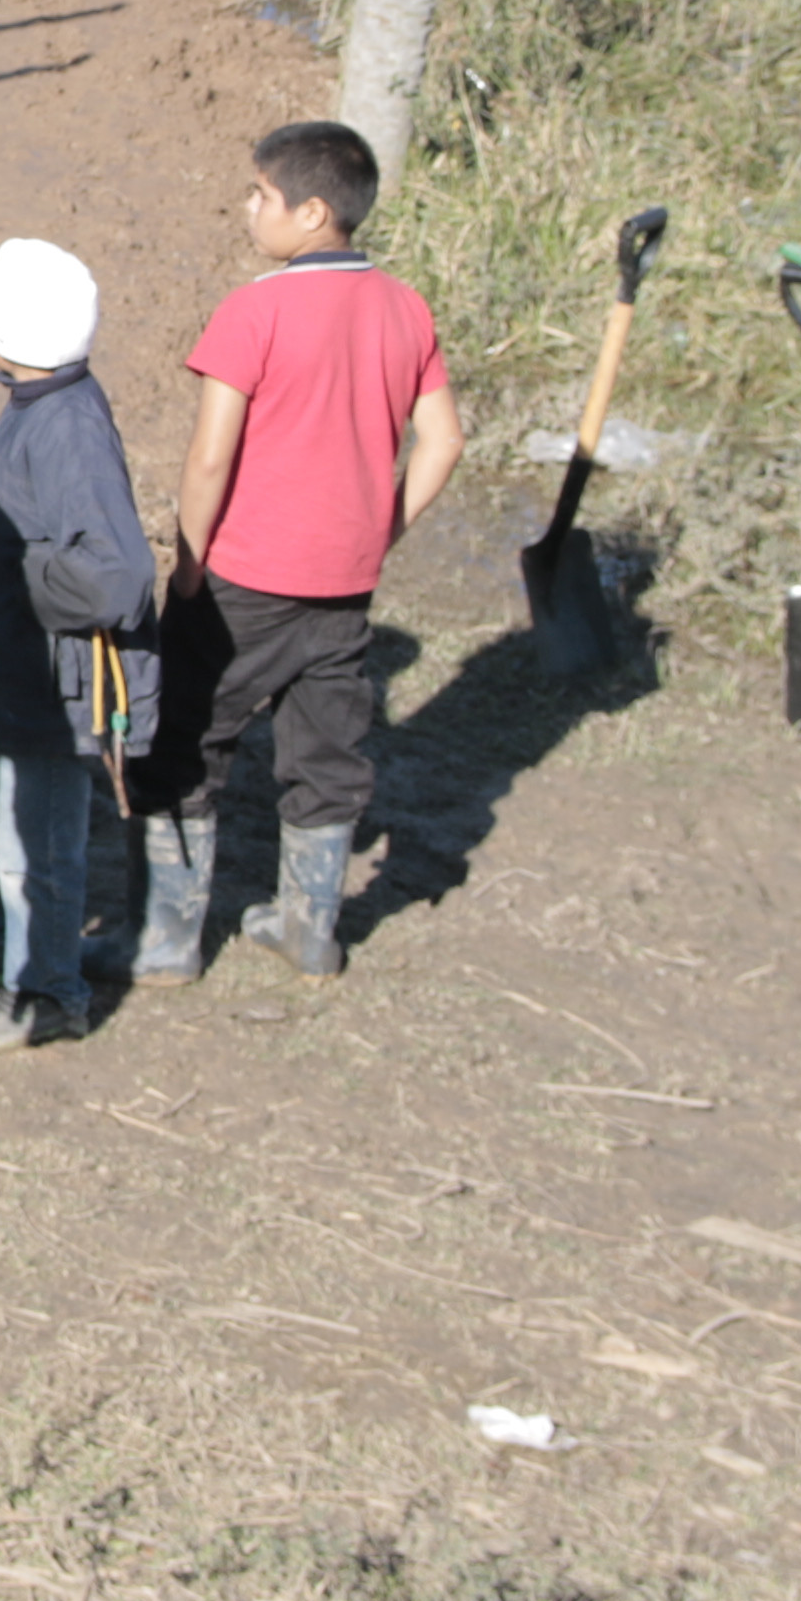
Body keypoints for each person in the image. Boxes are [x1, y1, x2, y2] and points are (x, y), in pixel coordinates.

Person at [138, 122, 463, 989]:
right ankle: (310, 929)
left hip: (244, 576)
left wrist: (190, 559)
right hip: (345, 585)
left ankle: (170, 942)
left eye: (261, 195)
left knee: (187, 742)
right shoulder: (406, 306)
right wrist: (382, 527)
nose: (250, 208)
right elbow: (442, 441)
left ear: (312, 211)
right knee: (327, 755)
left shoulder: (257, 309)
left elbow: (211, 455)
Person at [0, 237, 154, 1057]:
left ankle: (48, 989)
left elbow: (119, 574)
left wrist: (21, 581)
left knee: (39, 847)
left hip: (51, 691)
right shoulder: (38, 398)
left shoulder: (68, 428)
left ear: (4, 336)